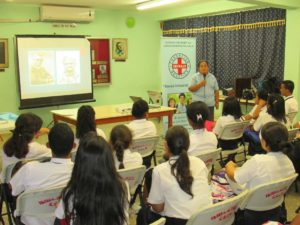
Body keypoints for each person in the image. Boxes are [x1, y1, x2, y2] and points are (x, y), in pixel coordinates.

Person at [225, 122, 295, 225]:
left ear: (265, 143)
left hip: (250, 211)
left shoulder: (258, 161)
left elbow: (235, 177)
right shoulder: (289, 163)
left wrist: (229, 165)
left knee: (224, 176)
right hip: (275, 208)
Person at [55, 132, 129, 225]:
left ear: (79, 163)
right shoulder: (123, 186)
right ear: (109, 160)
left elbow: (59, 217)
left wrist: (62, 204)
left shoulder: (71, 191)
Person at [145, 125, 212, 225]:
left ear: (166, 145)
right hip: (206, 218)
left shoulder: (159, 170)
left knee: (144, 213)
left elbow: (158, 208)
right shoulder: (200, 163)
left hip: (180, 222)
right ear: (188, 144)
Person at [10, 123, 75, 225]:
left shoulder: (29, 169)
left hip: (31, 222)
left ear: (48, 145)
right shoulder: (80, 172)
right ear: (73, 146)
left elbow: (13, 189)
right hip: (66, 220)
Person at [1, 113, 51, 179]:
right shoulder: (35, 148)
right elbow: (56, 152)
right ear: (36, 132)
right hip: (22, 184)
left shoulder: (6, 145)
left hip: (6, 181)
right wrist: (48, 131)